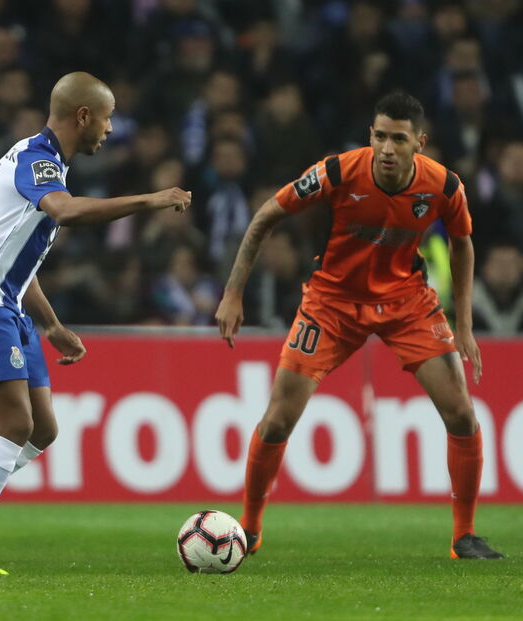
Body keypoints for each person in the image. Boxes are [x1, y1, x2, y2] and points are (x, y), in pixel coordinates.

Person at [0, 71, 191, 575]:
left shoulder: (46, 162)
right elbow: (67, 212)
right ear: (83, 116)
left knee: (43, 429)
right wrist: (150, 200)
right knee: (14, 425)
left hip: (6, 300)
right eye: (107, 117)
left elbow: (15, 258)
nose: (111, 128)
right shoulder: (36, 162)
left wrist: (51, 325)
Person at [215, 91, 504, 560]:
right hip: (331, 302)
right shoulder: (335, 172)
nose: (387, 148)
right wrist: (232, 293)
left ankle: (464, 536)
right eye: (380, 136)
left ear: (420, 143)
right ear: (371, 135)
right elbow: (267, 214)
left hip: (405, 300)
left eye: (399, 139)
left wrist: (464, 324)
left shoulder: (445, 186)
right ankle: (248, 528)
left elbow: (463, 244)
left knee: (462, 414)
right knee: (277, 420)